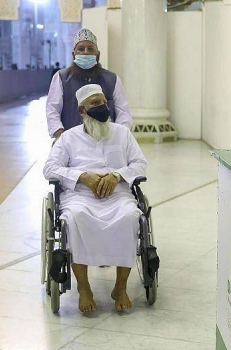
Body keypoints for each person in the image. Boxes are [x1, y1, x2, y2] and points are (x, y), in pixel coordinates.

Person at [43, 84, 147, 313]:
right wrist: (81, 176)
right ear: (82, 111)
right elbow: (50, 168)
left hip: (118, 195)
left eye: (103, 102)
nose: (102, 107)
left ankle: (120, 287)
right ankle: (84, 288)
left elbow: (140, 165)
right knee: (75, 217)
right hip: (80, 196)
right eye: (95, 104)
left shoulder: (122, 133)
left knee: (130, 217)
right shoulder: (68, 138)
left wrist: (117, 175)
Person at [46, 28, 132, 142]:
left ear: (98, 54)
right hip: (70, 142)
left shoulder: (112, 79)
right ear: (74, 54)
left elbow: (123, 112)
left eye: (90, 49)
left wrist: (119, 137)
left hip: (106, 142)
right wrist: (60, 135)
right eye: (81, 49)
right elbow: (52, 109)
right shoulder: (61, 78)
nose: (86, 52)